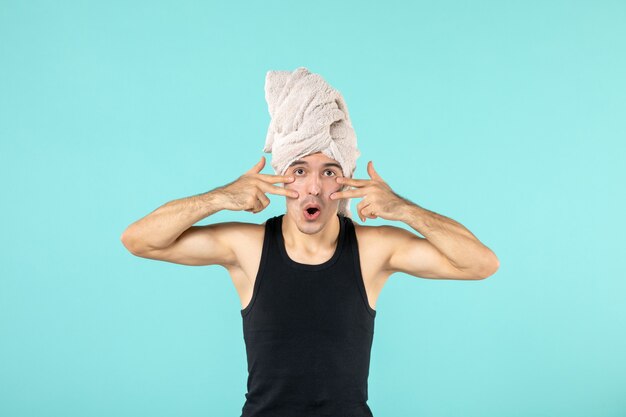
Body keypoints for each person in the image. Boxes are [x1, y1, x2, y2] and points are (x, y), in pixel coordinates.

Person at [121, 67, 499, 417]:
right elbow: (139, 240)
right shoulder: (248, 248)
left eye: (329, 172)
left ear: (346, 181)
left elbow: (480, 263)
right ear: (282, 178)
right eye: (299, 171)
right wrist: (220, 197)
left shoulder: (372, 250)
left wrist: (403, 208)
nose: (314, 187)